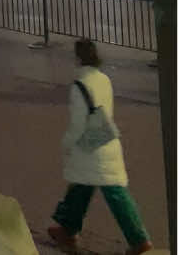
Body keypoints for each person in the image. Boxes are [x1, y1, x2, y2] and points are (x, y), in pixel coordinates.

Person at [48, 39, 152, 254]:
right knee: (84, 186)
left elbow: (78, 125)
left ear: (78, 59)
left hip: (89, 147)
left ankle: (139, 240)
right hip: (106, 138)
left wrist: (66, 144)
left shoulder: (79, 86)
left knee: (108, 191)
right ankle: (67, 228)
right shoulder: (104, 79)